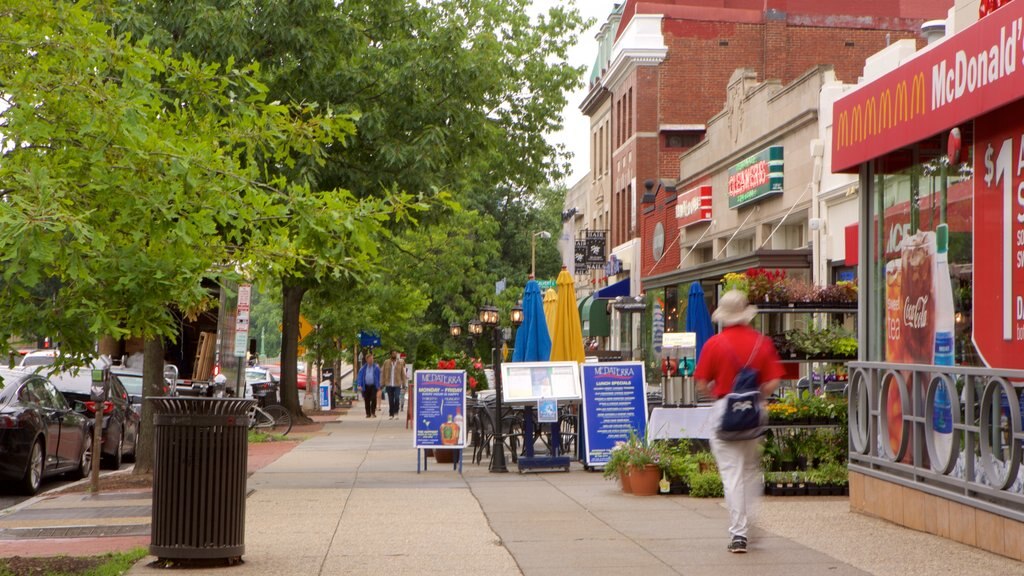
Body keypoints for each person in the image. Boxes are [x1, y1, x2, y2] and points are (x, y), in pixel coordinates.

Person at [694, 290, 784, 554]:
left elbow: (701, 382)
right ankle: (750, 523)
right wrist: (756, 396)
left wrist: (720, 398)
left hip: (725, 412)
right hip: (754, 413)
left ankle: (739, 534)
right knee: (749, 473)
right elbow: (774, 380)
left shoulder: (714, 344)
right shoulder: (762, 342)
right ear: (745, 315)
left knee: (731, 475)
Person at [380, 349, 407, 419]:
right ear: (391, 355)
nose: (395, 355)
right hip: (388, 384)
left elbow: (403, 374)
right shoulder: (386, 362)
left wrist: (404, 384)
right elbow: (383, 373)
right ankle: (391, 414)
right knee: (391, 399)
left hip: (397, 384)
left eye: (396, 354)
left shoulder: (400, 363)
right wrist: (382, 383)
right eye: (393, 354)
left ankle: (396, 413)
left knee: (397, 398)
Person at [356, 352, 381, 418]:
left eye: (372, 359)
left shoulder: (376, 368)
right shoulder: (363, 368)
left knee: (373, 398)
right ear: (367, 360)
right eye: (370, 359)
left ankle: (373, 412)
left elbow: (379, 377)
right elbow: (360, 377)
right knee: (366, 400)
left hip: (373, 385)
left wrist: (379, 385)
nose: (371, 360)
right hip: (366, 386)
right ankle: (368, 413)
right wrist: (359, 385)